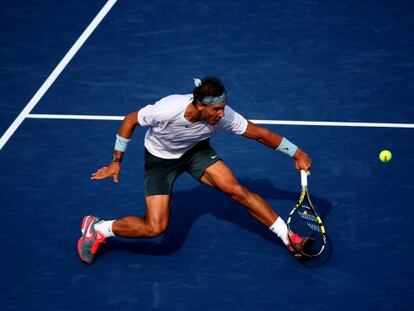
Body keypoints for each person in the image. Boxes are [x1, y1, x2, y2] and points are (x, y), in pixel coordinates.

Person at [77, 77, 312, 264]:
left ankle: (289, 238)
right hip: (160, 161)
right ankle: (98, 228)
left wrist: (297, 152)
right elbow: (130, 121)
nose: (222, 114)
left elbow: (261, 135)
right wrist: (116, 161)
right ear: (200, 105)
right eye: (217, 109)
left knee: (237, 190)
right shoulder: (166, 109)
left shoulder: (224, 117)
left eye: (224, 108)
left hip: (195, 153)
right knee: (154, 228)